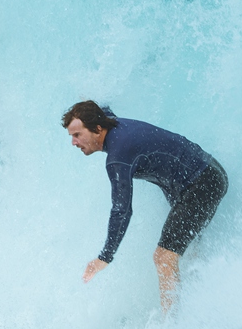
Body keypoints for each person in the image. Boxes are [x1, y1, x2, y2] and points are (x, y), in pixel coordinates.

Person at [62, 100, 227, 312]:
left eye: (77, 135)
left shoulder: (118, 157)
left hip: (203, 183)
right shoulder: (108, 120)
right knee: (189, 247)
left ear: (97, 129)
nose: (74, 142)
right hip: (202, 172)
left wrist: (105, 257)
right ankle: (206, 297)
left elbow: (122, 210)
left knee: (164, 257)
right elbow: (103, 107)